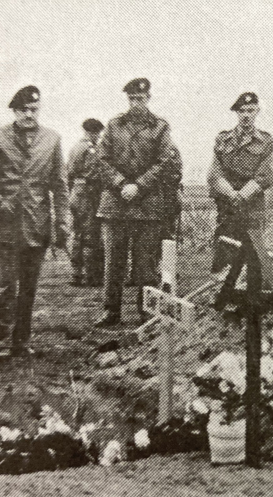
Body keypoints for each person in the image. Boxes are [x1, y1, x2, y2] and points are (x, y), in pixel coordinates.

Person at [0, 85, 68, 359]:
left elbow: (60, 185)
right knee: (7, 286)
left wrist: (63, 222)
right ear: (15, 111)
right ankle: (1, 337)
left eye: (34, 109)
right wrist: (0, 203)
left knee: (28, 288)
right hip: (5, 227)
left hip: (36, 226)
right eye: (24, 110)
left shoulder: (51, 139)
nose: (29, 115)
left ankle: (20, 342)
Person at [95, 77, 174, 327]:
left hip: (147, 205)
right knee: (113, 261)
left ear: (148, 98)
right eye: (132, 99)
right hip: (115, 204)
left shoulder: (160, 127)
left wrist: (138, 185)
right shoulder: (114, 125)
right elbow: (101, 159)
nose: (136, 103)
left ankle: (146, 314)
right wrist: (121, 184)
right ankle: (111, 311)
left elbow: (164, 162)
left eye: (140, 99)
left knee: (145, 264)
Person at [207, 92, 273, 308]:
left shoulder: (265, 141)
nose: (246, 115)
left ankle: (252, 301)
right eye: (242, 111)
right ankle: (221, 300)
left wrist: (243, 194)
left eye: (250, 110)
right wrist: (231, 194)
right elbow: (213, 174)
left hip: (252, 205)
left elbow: (268, 174)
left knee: (254, 254)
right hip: (227, 206)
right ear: (236, 113)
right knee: (225, 251)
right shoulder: (222, 139)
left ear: (257, 111)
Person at [67, 118, 104, 286]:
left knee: (78, 233)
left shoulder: (75, 147)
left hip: (75, 192)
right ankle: (92, 276)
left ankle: (76, 274)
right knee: (91, 235)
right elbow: (93, 174)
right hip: (87, 193)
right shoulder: (91, 149)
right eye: (97, 133)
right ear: (93, 132)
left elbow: (69, 173)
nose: (98, 137)